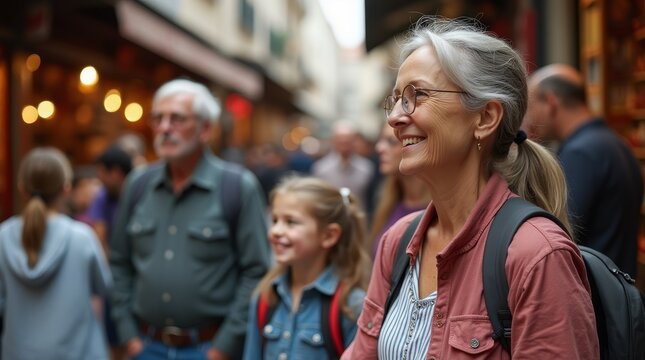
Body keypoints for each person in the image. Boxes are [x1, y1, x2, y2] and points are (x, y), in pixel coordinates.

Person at [342, 17, 599, 359]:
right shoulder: (398, 242)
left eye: (416, 95)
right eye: (396, 100)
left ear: (485, 118)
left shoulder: (536, 255)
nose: (394, 118)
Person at [110, 78, 271, 360]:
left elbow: (257, 272)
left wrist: (223, 347)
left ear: (205, 128)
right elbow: (119, 262)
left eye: (177, 119)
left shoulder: (237, 187)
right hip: (145, 346)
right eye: (158, 118)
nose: (164, 128)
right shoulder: (138, 185)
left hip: (207, 348)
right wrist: (128, 336)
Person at [525, 64, 644, 278]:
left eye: (532, 105)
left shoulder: (581, 153)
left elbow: (560, 232)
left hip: (597, 295)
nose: (531, 116)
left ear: (551, 102)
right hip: (618, 289)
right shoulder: (616, 144)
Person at [0, 147, 112, 359]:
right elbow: (104, 286)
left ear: (21, 188)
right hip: (78, 353)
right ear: (66, 188)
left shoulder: (4, 237)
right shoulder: (82, 237)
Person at [243, 176, 370, 359]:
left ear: (329, 236)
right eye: (275, 220)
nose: (275, 231)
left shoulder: (351, 306)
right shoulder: (266, 296)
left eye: (291, 222)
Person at [86, 144, 133, 360]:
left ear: (115, 172)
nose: (99, 179)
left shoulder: (140, 193)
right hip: (117, 277)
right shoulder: (103, 197)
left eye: (102, 173)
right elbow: (99, 239)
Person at [369, 122, 432, 257]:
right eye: (381, 140)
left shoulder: (437, 209)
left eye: (391, 142)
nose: (379, 148)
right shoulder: (387, 199)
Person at [312, 121, 375, 212]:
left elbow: (370, 200)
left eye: (347, 139)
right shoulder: (321, 168)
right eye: (340, 139)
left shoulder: (367, 168)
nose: (344, 142)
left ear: (354, 141)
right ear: (333, 140)